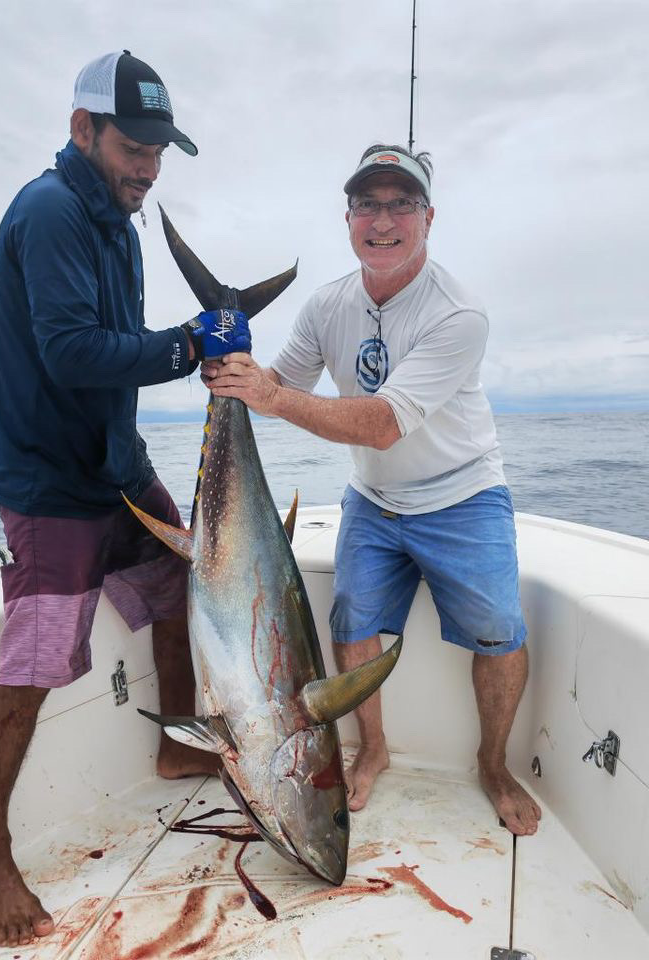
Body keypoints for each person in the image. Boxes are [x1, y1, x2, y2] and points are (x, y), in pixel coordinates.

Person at [0, 51, 251, 948]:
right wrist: (186, 345)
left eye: (161, 151)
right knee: (36, 666)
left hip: (116, 468)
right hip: (51, 486)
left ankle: (176, 742)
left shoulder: (118, 224)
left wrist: (195, 351)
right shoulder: (48, 211)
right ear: (82, 128)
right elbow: (73, 353)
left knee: (183, 580)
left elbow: (119, 346)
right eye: (134, 146)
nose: (148, 168)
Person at [202, 142, 542, 837]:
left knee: (498, 632)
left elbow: (383, 423)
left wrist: (267, 395)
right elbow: (283, 384)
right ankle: (374, 749)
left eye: (401, 203)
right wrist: (227, 361)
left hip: (463, 496)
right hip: (376, 500)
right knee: (352, 624)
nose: (383, 219)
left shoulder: (458, 314)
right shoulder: (328, 305)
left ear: (429, 216)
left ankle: (494, 763)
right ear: (348, 217)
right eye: (368, 204)